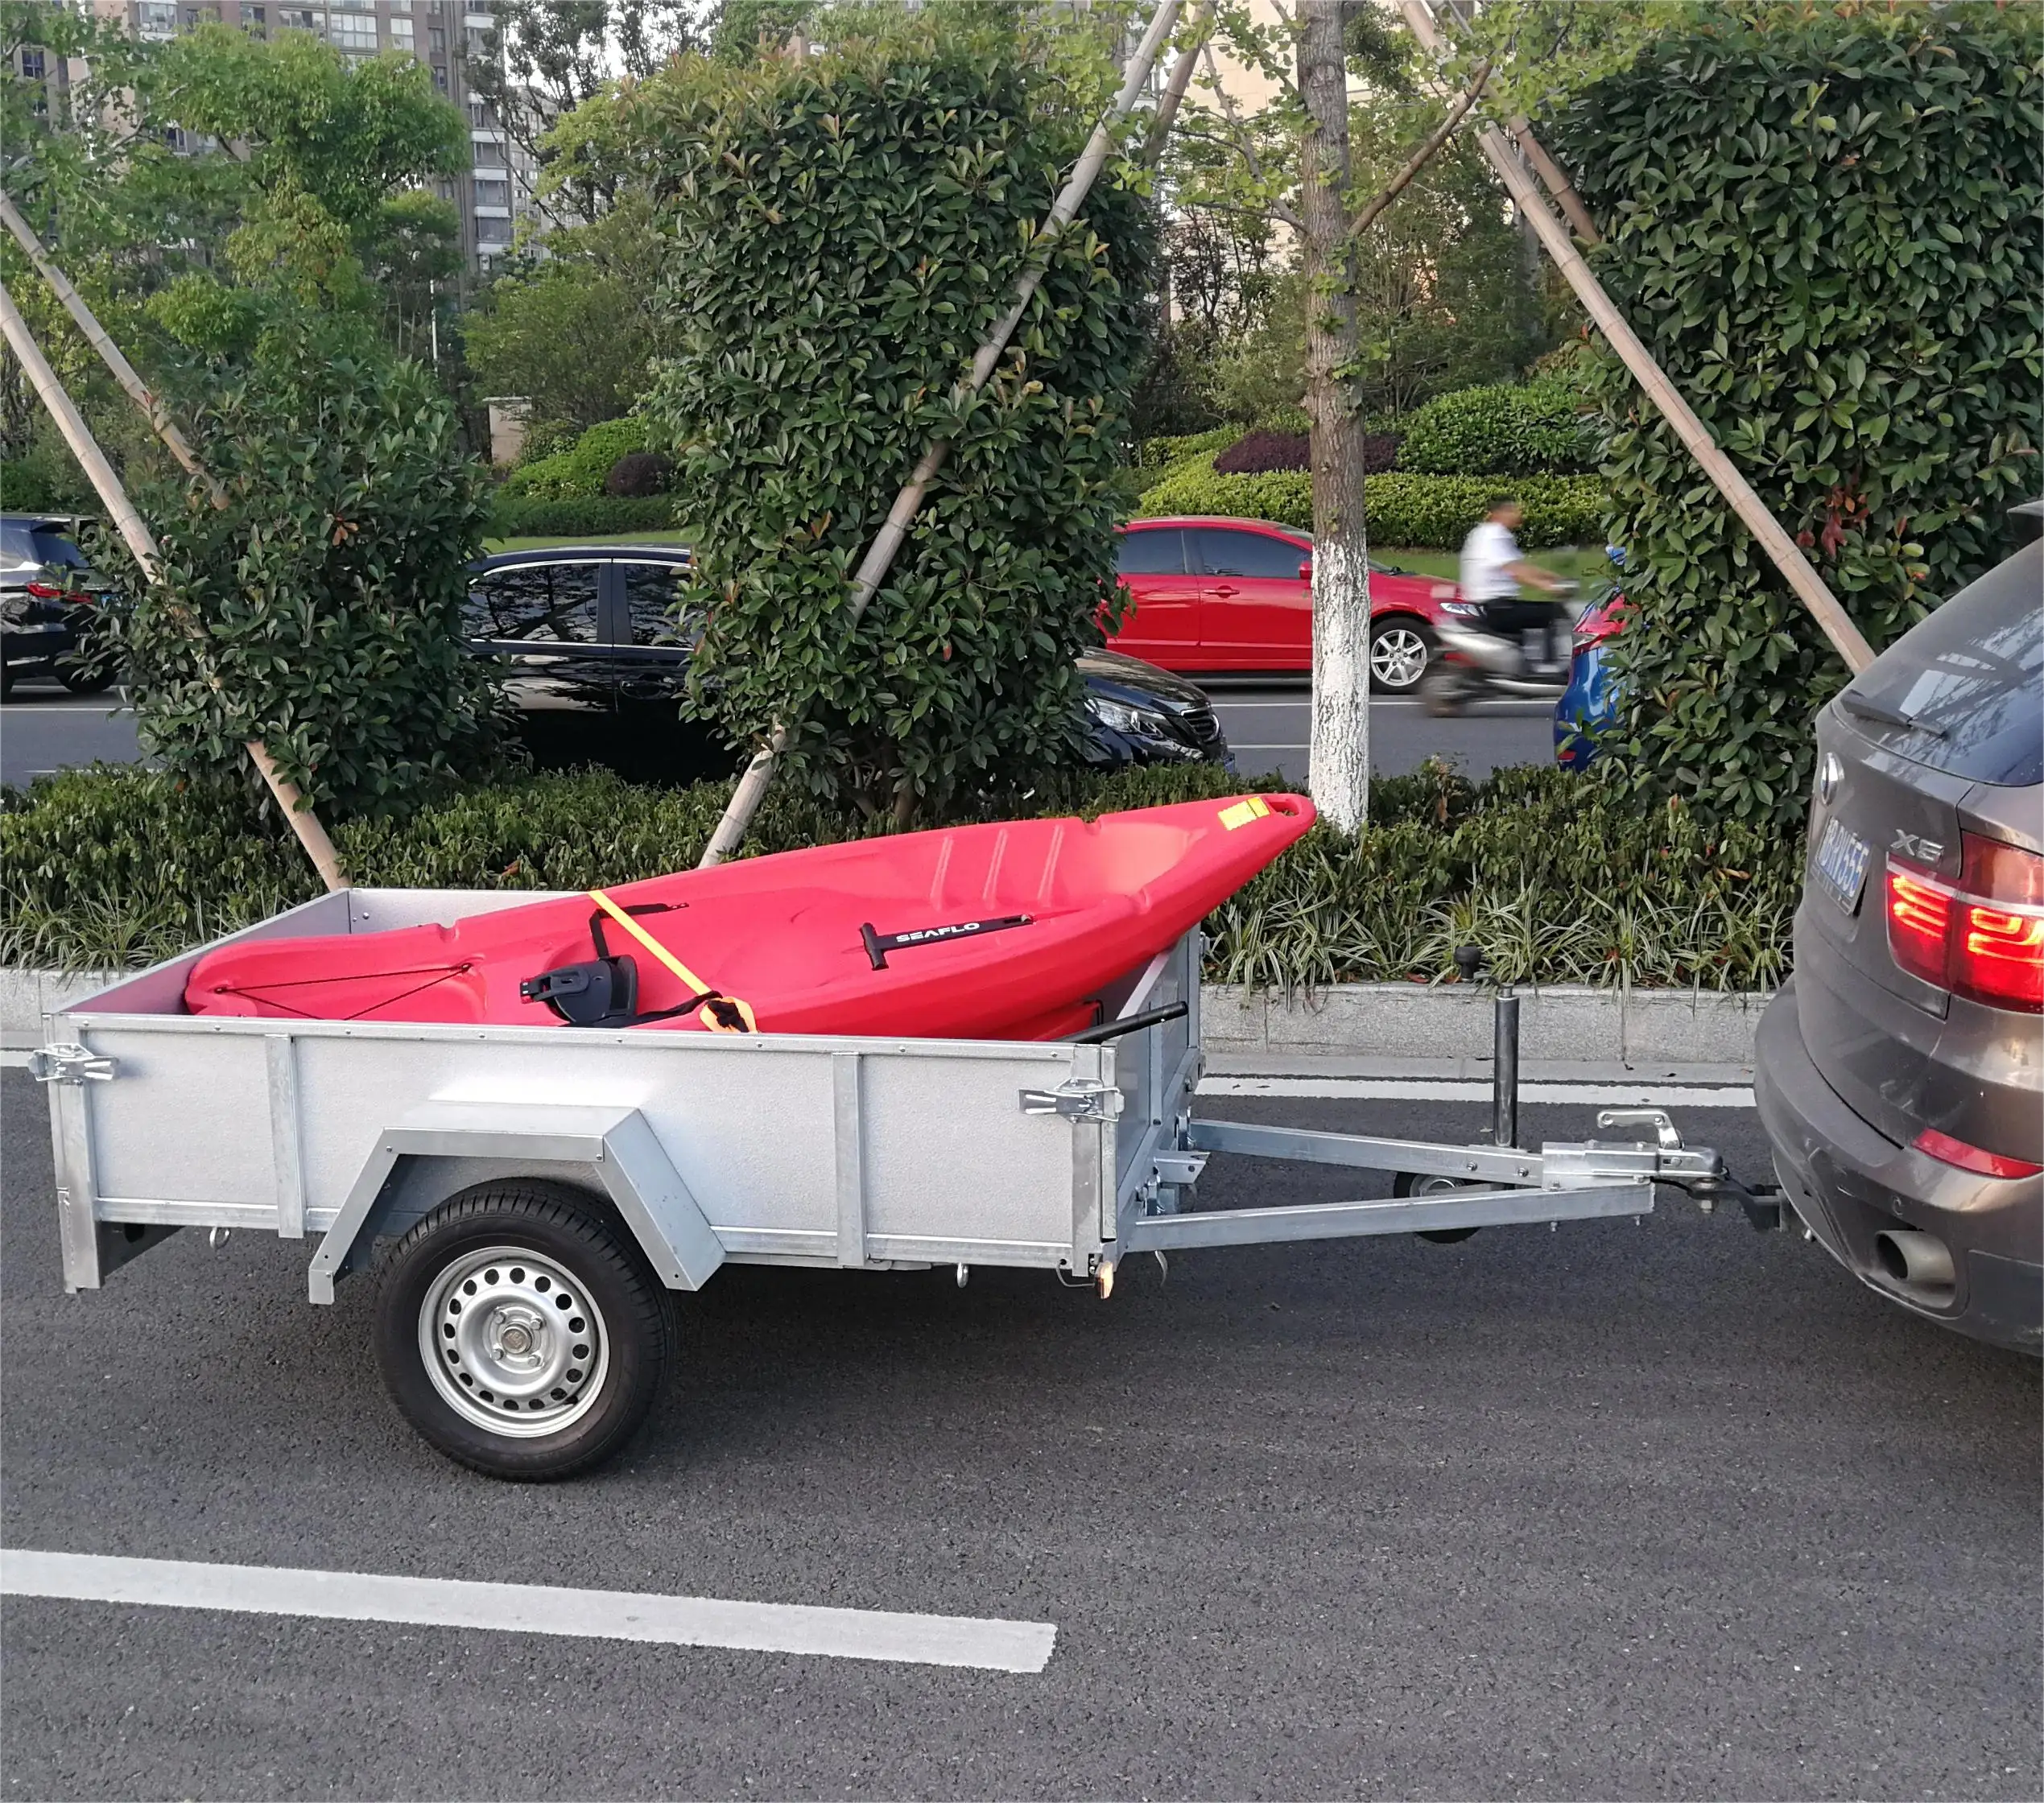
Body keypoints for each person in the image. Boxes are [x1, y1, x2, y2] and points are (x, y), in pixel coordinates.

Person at [1457, 494, 1572, 674]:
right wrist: (1547, 586)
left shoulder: (1484, 533)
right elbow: (1514, 570)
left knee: (1534, 613)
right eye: (1511, 510)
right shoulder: (1495, 535)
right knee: (1555, 612)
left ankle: (1529, 664)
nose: (1517, 514)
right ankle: (1552, 669)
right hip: (1497, 607)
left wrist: (1552, 577)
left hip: (1490, 606)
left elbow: (1520, 567)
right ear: (1498, 513)